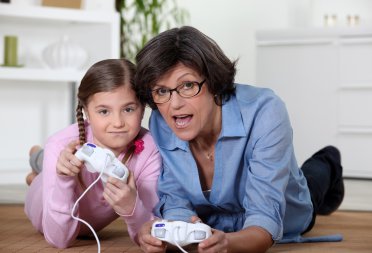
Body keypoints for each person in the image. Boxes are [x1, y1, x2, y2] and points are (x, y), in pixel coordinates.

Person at [134, 26, 345, 253]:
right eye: (162, 91)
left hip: (290, 215)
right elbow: (176, 202)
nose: (174, 104)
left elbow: (264, 218)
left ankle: (328, 160)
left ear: (213, 83)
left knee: (311, 181)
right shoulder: (161, 121)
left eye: (188, 85)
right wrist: (164, 233)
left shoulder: (265, 111)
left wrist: (227, 243)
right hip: (215, 227)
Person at [24, 59, 162, 249]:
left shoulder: (150, 149)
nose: (118, 123)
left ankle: (37, 169)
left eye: (128, 109)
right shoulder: (60, 145)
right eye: (104, 111)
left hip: (90, 227)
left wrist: (132, 207)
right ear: (87, 112)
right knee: (44, 166)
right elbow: (59, 239)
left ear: (142, 107)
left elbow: (152, 235)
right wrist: (64, 180)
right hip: (42, 203)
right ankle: (36, 164)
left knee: (43, 166)